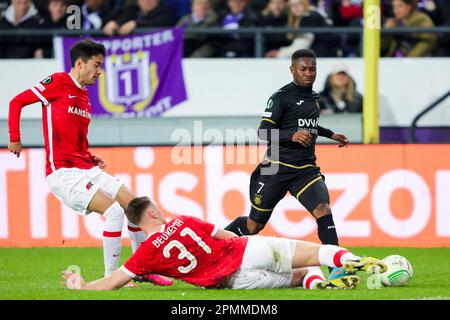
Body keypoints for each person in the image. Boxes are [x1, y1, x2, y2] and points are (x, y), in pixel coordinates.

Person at [7, 39, 172, 287]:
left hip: (85, 167)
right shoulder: (59, 83)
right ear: (79, 63)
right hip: (63, 173)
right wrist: (14, 138)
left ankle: (141, 269)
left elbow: (75, 137)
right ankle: (113, 278)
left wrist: (89, 155)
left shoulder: (84, 97)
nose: (100, 71)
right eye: (96, 65)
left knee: (136, 206)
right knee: (114, 212)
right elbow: (16, 102)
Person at [61, 196, 387, 290]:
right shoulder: (184, 221)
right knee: (316, 255)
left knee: (297, 279)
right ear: (156, 212)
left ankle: (316, 286)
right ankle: (370, 264)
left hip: (233, 282)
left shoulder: (146, 254)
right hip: (245, 250)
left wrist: (83, 285)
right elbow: (228, 235)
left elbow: (113, 282)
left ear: (136, 224)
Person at [224, 49, 349, 275]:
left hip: (305, 170)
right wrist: (291, 136)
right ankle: (215, 250)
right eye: (303, 69)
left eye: (313, 69)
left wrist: (331, 134)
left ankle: (336, 268)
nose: (308, 73)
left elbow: (309, 124)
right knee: (254, 225)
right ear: (292, 70)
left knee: (323, 209)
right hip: (276, 169)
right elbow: (263, 132)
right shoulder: (281, 97)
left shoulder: (314, 97)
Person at [266, 0, 336, 58]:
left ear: (305, 3)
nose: (296, 7)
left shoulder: (308, 17)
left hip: (325, 57)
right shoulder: (309, 14)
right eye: (292, 5)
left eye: (299, 4)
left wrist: (279, 53)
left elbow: (301, 46)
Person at [102, 0, 175, 36]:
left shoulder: (166, 13)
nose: (145, 1)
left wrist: (136, 24)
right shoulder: (133, 11)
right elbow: (124, 19)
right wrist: (115, 23)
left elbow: (156, 23)